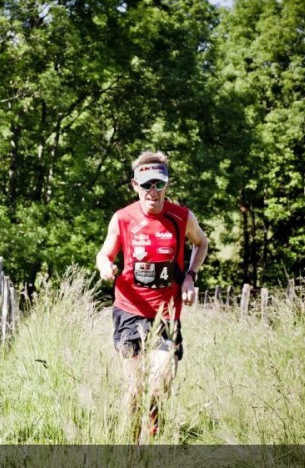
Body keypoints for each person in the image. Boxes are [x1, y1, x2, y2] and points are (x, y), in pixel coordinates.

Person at [95, 151, 208, 441]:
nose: (153, 192)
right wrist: (106, 265)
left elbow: (201, 243)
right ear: (135, 186)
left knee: (161, 383)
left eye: (159, 183)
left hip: (167, 314)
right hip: (130, 310)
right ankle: (130, 447)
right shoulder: (123, 218)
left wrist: (190, 277)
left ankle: (153, 437)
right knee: (135, 389)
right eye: (146, 185)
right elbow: (104, 253)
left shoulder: (181, 217)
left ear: (167, 184)